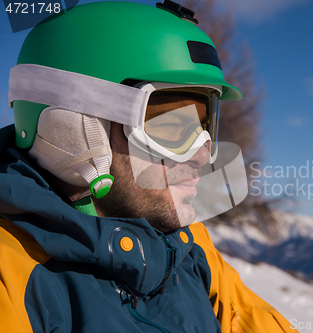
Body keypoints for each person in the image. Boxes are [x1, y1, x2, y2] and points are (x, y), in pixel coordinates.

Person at [0, 1, 295, 332]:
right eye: (170, 126)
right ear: (73, 131)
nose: (202, 155)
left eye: (204, 124)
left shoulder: (190, 248)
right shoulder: (13, 279)